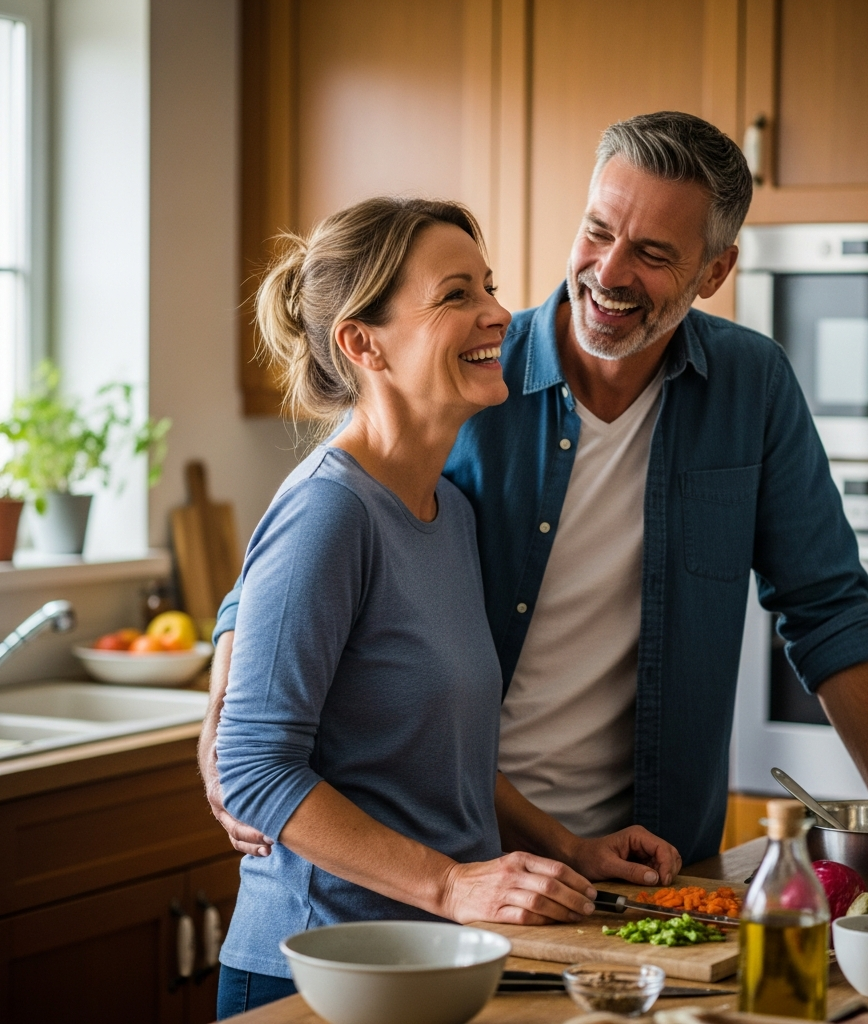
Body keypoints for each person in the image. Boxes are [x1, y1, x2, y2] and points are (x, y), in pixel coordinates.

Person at [202, 110, 868, 880]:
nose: (609, 273)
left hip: (642, 863)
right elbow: (316, 527)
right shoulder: (469, 373)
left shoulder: (751, 387)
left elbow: (828, 609)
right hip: (462, 857)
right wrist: (230, 726)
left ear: (714, 272)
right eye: (598, 231)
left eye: (652, 253)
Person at [212, 197, 682, 1018]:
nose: (499, 313)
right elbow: (253, 768)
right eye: (456, 294)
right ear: (364, 344)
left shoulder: (449, 511)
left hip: (437, 957)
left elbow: (438, 759)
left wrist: (567, 847)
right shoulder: (330, 511)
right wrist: (451, 885)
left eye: (488, 286)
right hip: (322, 970)